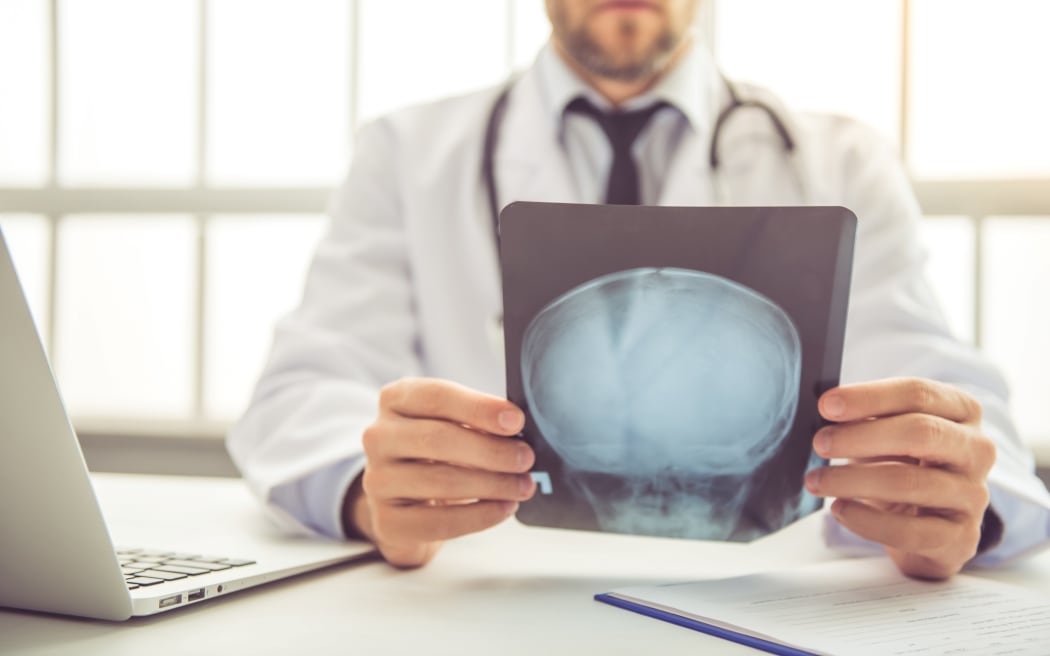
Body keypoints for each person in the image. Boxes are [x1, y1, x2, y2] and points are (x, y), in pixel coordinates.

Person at [227, 0, 1050, 580]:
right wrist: (369, 493)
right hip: (481, 606)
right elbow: (301, 393)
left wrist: (958, 507)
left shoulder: (839, 161)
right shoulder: (407, 152)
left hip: (773, 607)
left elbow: (957, 407)